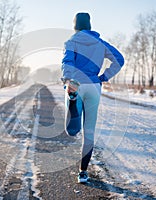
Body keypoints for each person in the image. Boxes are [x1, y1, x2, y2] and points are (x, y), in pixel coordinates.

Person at [61, 12, 124, 183]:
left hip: (76, 84)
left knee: (72, 130)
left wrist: (68, 80)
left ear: (75, 25)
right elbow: (119, 59)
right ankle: (83, 172)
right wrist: (103, 77)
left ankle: (73, 100)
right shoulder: (100, 43)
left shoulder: (72, 41)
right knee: (89, 131)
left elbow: (67, 63)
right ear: (89, 25)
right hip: (94, 87)